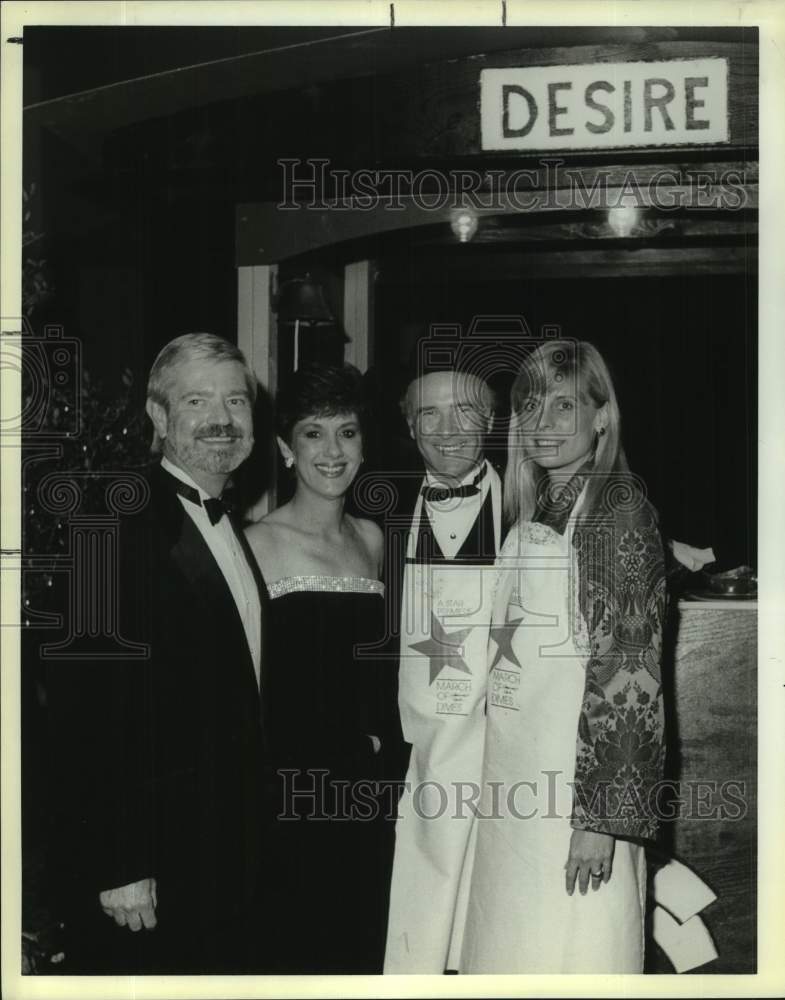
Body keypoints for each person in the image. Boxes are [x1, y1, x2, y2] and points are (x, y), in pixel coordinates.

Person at [45, 333, 269, 974]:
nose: (222, 419)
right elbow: (78, 718)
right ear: (159, 417)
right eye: (197, 401)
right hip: (154, 866)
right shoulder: (105, 527)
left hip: (226, 853)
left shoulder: (235, 526)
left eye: (236, 401)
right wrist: (120, 863)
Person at [459, 340, 666, 973]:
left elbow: (632, 672)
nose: (542, 423)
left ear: (602, 416)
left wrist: (601, 821)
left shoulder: (618, 510)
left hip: (574, 800)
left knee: (574, 954)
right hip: (514, 788)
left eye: (564, 405)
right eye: (530, 406)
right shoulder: (536, 506)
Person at [245, 363, 406, 974]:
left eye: (348, 432)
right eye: (314, 433)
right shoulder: (256, 543)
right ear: (286, 448)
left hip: (367, 797)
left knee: (364, 954)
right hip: (290, 799)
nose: (332, 451)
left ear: (365, 445)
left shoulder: (373, 539)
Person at [381, 361, 503, 974]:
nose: (449, 428)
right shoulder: (378, 513)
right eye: (430, 412)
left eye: (466, 410)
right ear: (409, 426)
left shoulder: (531, 509)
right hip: (411, 759)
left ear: (492, 421)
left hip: (506, 759)